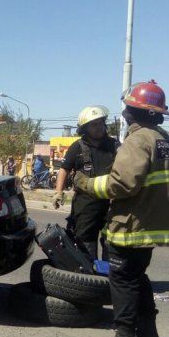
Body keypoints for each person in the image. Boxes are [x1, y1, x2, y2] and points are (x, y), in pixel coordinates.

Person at [73, 80, 169, 337]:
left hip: (132, 224)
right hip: (153, 224)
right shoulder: (166, 139)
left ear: (133, 110)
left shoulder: (138, 140)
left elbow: (121, 184)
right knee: (137, 277)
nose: (124, 113)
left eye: (127, 107)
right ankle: (148, 333)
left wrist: (86, 184)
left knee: (122, 282)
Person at [53, 105, 118, 260]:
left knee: (112, 240)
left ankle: (110, 276)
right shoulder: (77, 147)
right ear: (85, 128)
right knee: (85, 240)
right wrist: (58, 192)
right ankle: (90, 277)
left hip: (112, 202)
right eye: (94, 125)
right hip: (86, 203)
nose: (99, 127)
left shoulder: (114, 145)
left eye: (101, 123)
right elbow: (64, 169)